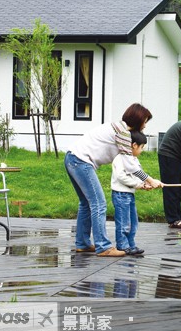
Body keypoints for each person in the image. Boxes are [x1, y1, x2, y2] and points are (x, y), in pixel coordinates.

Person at [65, 103, 163, 257]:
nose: (145, 125)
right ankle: (103, 247)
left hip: (71, 158)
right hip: (81, 161)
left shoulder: (118, 127)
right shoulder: (123, 133)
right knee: (99, 203)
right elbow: (130, 166)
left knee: (86, 203)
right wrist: (150, 180)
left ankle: (82, 244)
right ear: (137, 119)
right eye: (145, 121)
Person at [111, 131, 148, 256]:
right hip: (121, 194)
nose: (142, 150)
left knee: (133, 222)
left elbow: (138, 174)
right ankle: (123, 246)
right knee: (124, 222)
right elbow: (121, 176)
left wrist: (144, 184)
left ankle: (131, 244)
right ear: (134, 145)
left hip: (129, 194)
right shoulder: (120, 158)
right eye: (142, 147)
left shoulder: (134, 160)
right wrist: (137, 184)